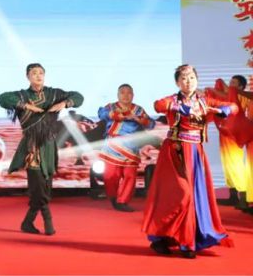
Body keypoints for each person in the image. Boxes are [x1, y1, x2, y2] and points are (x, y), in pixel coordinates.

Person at [142, 65, 237, 258]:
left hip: (195, 153)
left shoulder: (204, 100)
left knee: (195, 196)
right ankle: (162, 237)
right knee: (181, 195)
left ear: (197, 80)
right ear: (177, 82)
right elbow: (158, 105)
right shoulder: (172, 100)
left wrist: (224, 110)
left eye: (192, 77)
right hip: (175, 152)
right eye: (184, 78)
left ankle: (188, 242)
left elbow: (234, 106)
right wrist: (180, 107)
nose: (188, 81)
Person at [0, 63, 83, 236]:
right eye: (34, 73)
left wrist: (64, 103)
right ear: (28, 77)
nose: (38, 76)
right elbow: (2, 98)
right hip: (32, 145)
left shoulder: (53, 94)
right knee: (37, 183)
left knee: (45, 184)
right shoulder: (22, 95)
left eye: (41, 73)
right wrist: (26, 106)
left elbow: (78, 97)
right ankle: (48, 221)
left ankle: (27, 222)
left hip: (49, 145)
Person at [97, 84, 156, 212]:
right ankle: (113, 197)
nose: (125, 95)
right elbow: (101, 114)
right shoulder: (111, 107)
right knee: (110, 175)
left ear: (133, 95)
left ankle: (122, 201)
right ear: (118, 95)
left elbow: (151, 124)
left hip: (131, 147)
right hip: (112, 146)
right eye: (122, 92)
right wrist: (118, 115)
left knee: (130, 175)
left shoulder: (138, 110)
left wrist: (138, 119)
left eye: (129, 93)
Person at [206, 75, 251, 210]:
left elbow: (227, 95)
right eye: (230, 82)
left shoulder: (241, 96)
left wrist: (215, 89)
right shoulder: (231, 95)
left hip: (233, 136)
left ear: (241, 87)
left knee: (235, 165)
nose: (230, 85)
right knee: (227, 166)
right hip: (225, 134)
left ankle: (243, 199)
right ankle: (233, 196)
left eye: (234, 83)